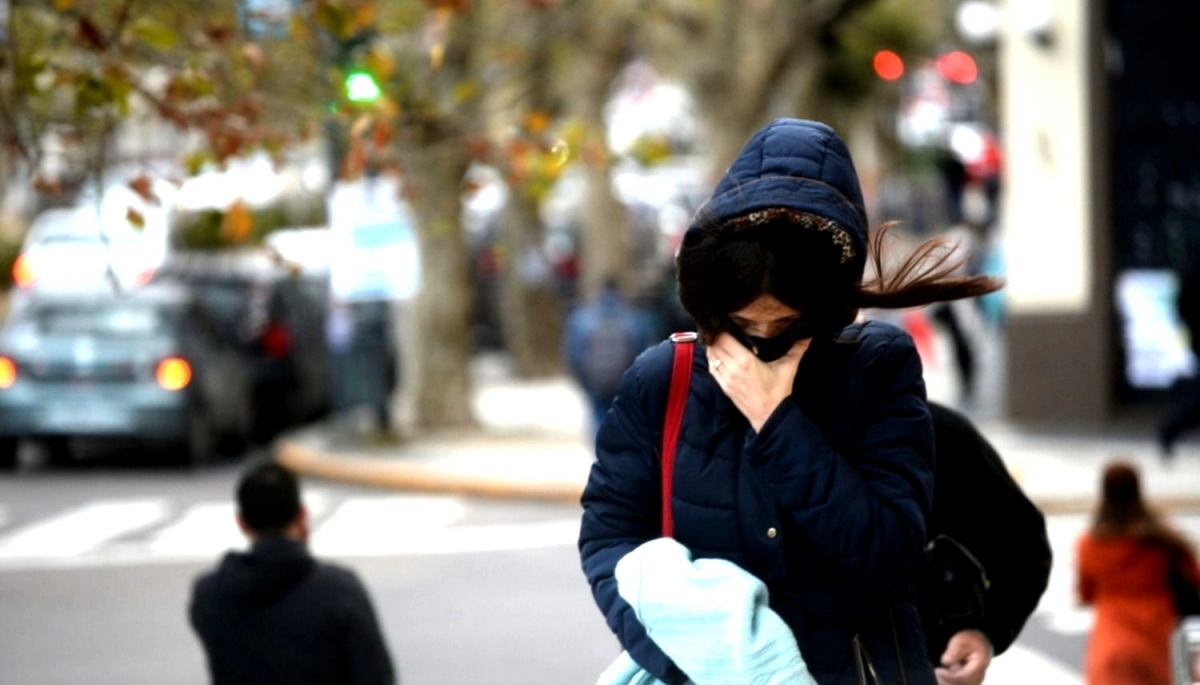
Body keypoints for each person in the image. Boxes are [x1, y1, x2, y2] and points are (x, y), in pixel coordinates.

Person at [579, 118, 1002, 685]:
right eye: (741, 324)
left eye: (783, 326)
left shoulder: (879, 366)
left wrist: (777, 421)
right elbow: (610, 540)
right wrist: (692, 660)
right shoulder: (665, 376)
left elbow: (889, 552)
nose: (759, 343)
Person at [189, 461, 395, 685]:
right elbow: (376, 675)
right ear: (301, 515)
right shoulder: (340, 591)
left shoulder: (209, 595)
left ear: (241, 522)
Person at [921, 402, 1053, 685]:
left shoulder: (940, 433)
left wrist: (985, 634)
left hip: (936, 668)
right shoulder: (805, 443)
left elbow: (1027, 547)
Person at [1077, 462, 1200, 685]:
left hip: (1110, 644)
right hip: (1154, 641)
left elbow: (1085, 594)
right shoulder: (1163, 542)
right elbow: (1194, 578)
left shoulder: (1091, 544)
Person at [565, 278, 655, 438]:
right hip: (623, 379)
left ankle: (601, 452)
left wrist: (582, 381)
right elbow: (643, 350)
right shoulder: (634, 316)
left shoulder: (582, 317)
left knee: (598, 415)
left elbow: (574, 353)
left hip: (595, 381)